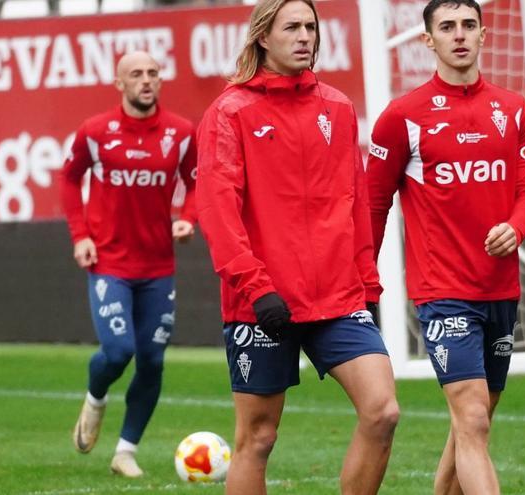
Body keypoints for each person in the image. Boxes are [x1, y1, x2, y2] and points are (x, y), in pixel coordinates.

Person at [195, 1, 399, 494]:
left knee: (383, 411)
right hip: (262, 302)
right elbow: (218, 213)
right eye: (292, 27)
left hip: (338, 297)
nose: (305, 35)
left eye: (310, 26)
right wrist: (256, 288)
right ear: (263, 36)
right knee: (258, 439)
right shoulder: (230, 111)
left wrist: (366, 283)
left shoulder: (337, 106)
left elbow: (355, 202)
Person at [368, 1, 525, 492]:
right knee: (473, 416)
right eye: (447, 27)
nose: (459, 35)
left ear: (484, 34)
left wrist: (517, 225)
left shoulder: (513, 109)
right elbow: (373, 205)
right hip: (442, 291)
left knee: (474, 420)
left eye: (469, 25)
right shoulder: (402, 116)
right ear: (429, 40)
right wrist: (365, 281)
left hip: (500, 289)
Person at [61, 51, 197, 476]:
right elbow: (69, 178)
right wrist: (80, 235)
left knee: (153, 361)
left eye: (153, 73)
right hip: (110, 261)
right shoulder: (96, 133)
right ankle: (95, 397)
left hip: (158, 266)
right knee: (119, 351)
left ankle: (125, 451)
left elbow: (198, 183)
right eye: (136, 74)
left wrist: (189, 219)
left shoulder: (181, 133)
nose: (146, 80)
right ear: (119, 83)